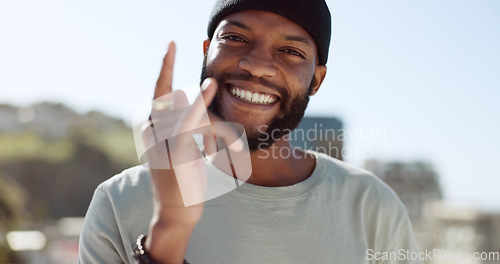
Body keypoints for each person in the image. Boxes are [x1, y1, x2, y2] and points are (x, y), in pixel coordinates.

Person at [79, 0, 421, 263]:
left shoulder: (371, 207)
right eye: (236, 38)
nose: (256, 65)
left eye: (290, 51)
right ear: (206, 51)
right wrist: (170, 232)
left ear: (316, 80)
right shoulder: (119, 202)